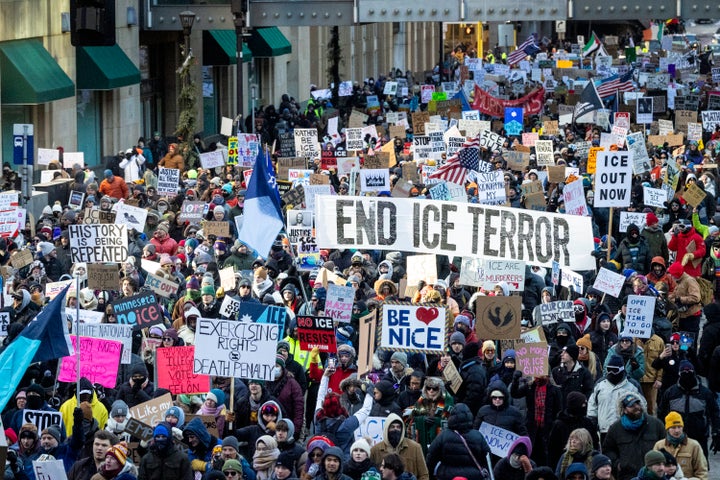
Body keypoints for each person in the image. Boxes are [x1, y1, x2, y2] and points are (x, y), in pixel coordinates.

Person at [657, 360, 720, 459]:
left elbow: (714, 412)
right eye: (684, 372)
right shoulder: (670, 393)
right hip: (675, 437)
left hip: (700, 438)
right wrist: (661, 433)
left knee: (700, 467)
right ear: (679, 374)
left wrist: (716, 431)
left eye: (689, 371)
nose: (687, 374)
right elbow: (661, 413)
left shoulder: (705, 393)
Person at [602, 393, 665, 480]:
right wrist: (618, 465)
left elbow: (665, 446)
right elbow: (608, 450)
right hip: (627, 476)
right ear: (624, 410)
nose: (636, 407)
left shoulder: (656, 424)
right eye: (631, 406)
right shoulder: (615, 428)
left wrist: (660, 464)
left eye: (637, 403)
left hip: (653, 475)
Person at [426, 403, 491, 480]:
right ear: (469, 417)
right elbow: (487, 458)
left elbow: (431, 458)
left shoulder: (443, 435)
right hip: (473, 476)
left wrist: (429, 475)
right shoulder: (478, 435)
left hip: (447, 475)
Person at [587, 355, 642, 439]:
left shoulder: (632, 385)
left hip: (626, 429)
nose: (611, 373)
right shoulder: (600, 384)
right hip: (604, 429)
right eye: (609, 369)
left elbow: (642, 406)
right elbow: (592, 404)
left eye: (615, 370)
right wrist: (592, 421)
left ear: (621, 369)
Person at [369, 415, 428, 480]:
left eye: (398, 427)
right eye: (392, 427)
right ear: (387, 429)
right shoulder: (375, 450)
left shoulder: (415, 448)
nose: (395, 429)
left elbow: (424, 475)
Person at [653, 412, 707, 480]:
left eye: (679, 427)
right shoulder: (659, 445)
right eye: (673, 427)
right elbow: (653, 470)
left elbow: (702, 473)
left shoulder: (694, 445)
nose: (677, 430)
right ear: (667, 429)